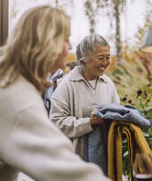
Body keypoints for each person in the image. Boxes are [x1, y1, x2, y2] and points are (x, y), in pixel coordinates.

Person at [0, 5, 152, 181]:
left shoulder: (6, 82)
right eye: (65, 39)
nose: (69, 47)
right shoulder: (15, 95)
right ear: (47, 42)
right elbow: (55, 162)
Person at [50, 34, 119, 164]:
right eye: (100, 58)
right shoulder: (67, 85)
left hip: (106, 160)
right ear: (84, 60)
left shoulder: (108, 83)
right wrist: (88, 122)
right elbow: (55, 123)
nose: (105, 62)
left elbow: (116, 110)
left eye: (107, 57)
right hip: (74, 163)